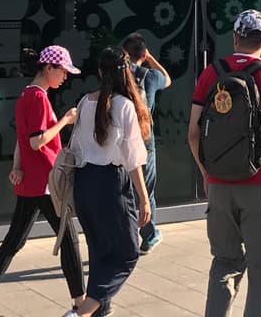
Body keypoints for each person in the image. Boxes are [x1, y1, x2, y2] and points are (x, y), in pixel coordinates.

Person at [0, 45, 86, 317]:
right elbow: (36, 140)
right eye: (63, 71)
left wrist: (17, 166)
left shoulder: (27, 96)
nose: (65, 77)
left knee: (14, 242)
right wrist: (65, 121)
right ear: (48, 68)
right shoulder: (39, 98)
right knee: (68, 239)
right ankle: (81, 305)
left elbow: (24, 140)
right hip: (45, 181)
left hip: (33, 182)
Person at [188, 9, 261, 317]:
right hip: (260, 183)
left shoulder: (211, 73)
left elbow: (193, 134)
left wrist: (207, 172)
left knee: (225, 262)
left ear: (234, 38)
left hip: (218, 184)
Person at [66, 46, 153, 317]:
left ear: (100, 72)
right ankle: (82, 313)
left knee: (99, 252)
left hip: (85, 181)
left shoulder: (85, 101)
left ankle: (97, 312)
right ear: (126, 72)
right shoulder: (125, 105)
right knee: (127, 254)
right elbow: (133, 159)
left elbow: (77, 147)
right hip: (111, 184)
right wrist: (143, 197)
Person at [122, 32, 171, 253]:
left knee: (124, 187)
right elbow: (167, 79)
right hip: (144, 138)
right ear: (142, 54)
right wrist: (150, 58)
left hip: (120, 138)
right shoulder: (148, 76)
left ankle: (126, 234)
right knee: (146, 188)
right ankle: (149, 234)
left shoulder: (117, 75)